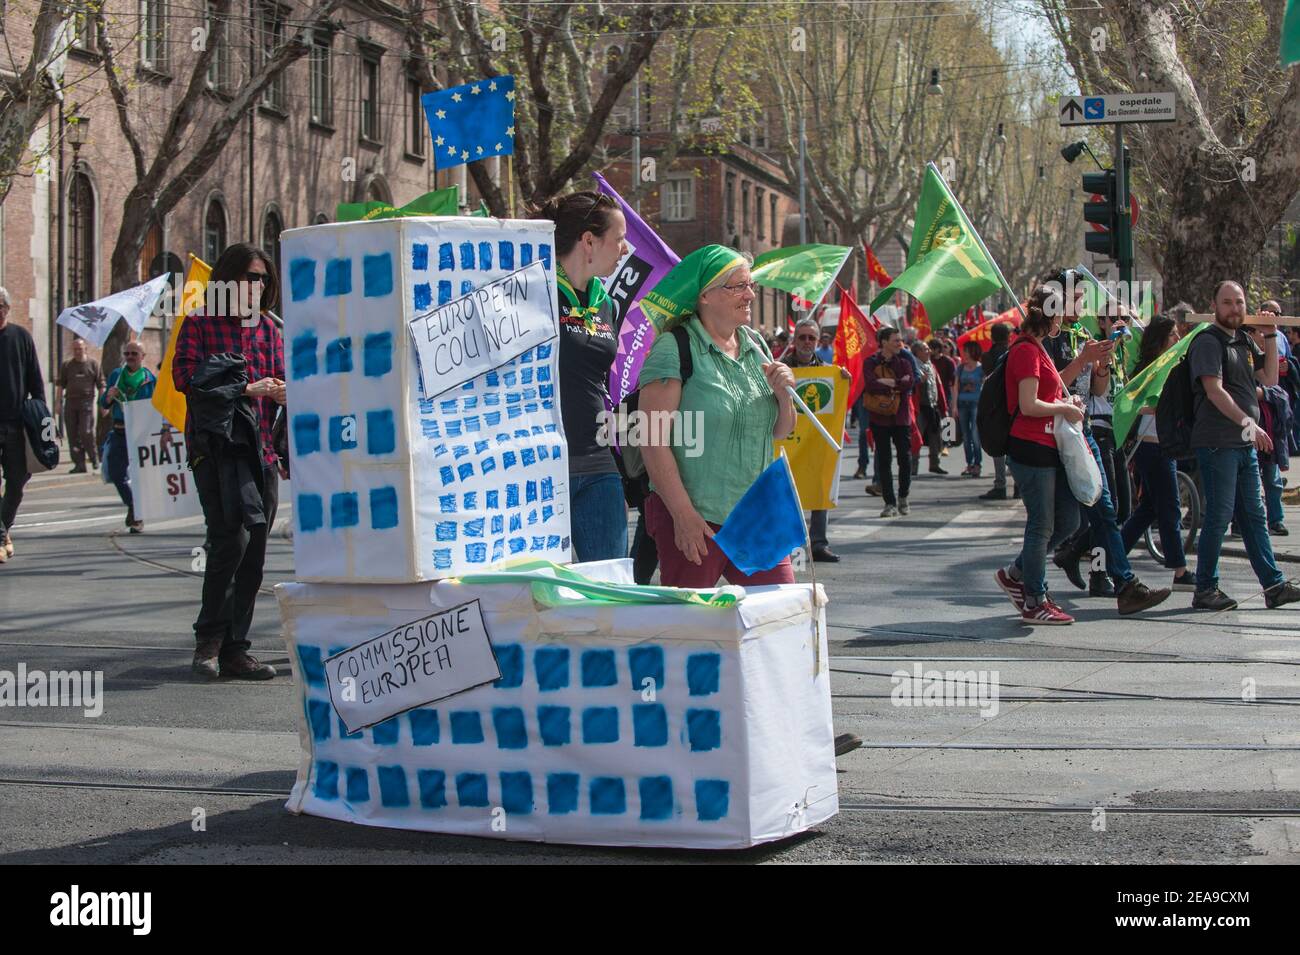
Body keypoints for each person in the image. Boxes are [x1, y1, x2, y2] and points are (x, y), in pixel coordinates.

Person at [995, 277, 1169, 625]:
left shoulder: (1051, 343)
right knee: (1048, 522)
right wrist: (1064, 405)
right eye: (1073, 300)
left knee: (1074, 518)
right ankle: (1038, 595)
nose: (1080, 306)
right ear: (1053, 312)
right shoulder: (1029, 348)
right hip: (1039, 443)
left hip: (1062, 438)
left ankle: (1027, 571)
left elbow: (1068, 386)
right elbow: (1030, 403)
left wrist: (1091, 371)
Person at [636, 245, 796, 586]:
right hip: (697, 517)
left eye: (751, 285)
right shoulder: (674, 347)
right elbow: (651, 440)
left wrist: (785, 397)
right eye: (738, 286)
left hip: (756, 516)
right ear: (705, 295)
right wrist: (683, 515)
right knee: (691, 631)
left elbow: (780, 431)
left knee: (779, 621)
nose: (750, 294)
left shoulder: (755, 344)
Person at [173, 243, 287, 679]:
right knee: (229, 543)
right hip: (217, 451)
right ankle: (210, 640)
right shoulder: (201, 323)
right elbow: (184, 378)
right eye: (248, 277)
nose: (256, 285)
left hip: (261, 450)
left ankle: (237, 649)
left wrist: (282, 390)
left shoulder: (271, 330)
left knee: (255, 551)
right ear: (227, 280)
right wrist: (245, 389)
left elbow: (287, 380)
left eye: (262, 278)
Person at [1187, 281, 1300, 610]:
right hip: (1218, 443)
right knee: (1219, 517)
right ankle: (1205, 588)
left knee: (1254, 515)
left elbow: (1270, 379)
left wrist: (1268, 333)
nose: (1234, 308)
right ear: (1215, 305)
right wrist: (1250, 424)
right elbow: (1214, 391)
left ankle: (1273, 585)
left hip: (1242, 444)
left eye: (1239, 302)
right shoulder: (1208, 341)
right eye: (1227, 302)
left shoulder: (1243, 341)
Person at [537, 191, 630, 563]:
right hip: (541, 465)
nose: (625, 249)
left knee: (612, 587)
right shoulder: (535, 289)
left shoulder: (606, 302)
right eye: (619, 239)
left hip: (597, 461)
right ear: (588, 241)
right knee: (539, 593)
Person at [1118, 316, 1195, 591]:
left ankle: (1114, 557)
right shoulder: (1151, 370)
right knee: (1170, 507)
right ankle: (1179, 570)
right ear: (1160, 339)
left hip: (1160, 444)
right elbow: (1138, 404)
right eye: (1172, 335)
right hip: (1152, 444)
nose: (1176, 339)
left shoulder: (1171, 366)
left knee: (1149, 508)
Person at [782, 316, 847, 562]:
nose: (807, 342)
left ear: (818, 341)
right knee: (789, 492)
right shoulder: (780, 367)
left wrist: (843, 381)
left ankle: (819, 544)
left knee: (820, 487)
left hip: (816, 442)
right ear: (794, 340)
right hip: (789, 440)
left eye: (812, 338)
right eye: (802, 337)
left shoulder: (829, 373)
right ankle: (793, 546)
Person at [0, 286, 44, 566]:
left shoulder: (21, 337)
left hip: (17, 424)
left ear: (5, 309)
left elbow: (36, 383)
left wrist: (43, 421)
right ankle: (1, 535)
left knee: (16, 482)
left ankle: (4, 529)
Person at [100, 340, 156, 533]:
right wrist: (109, 395)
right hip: (119, 431)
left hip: (139, 433)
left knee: (140, 477)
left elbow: (155, 407)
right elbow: (104, 404)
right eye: (127, 354)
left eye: (134, 353)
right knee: (116, 473)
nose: (130, 357)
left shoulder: (149, 378)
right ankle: (133, 505)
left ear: (143, 357)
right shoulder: (117, 375)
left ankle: (138, 517)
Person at [863, 326, 914, 517]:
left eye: (900, 340)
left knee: (905, 459)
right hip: (879, 418)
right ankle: (889, 503)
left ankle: (903, 496)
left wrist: (886, 382)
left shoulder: (905, 361)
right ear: (884, 342)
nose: (899, 343)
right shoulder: (870, 362)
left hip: (901, 418)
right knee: (884, 461)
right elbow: (870, 384)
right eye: (896, 340)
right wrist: (895, 384)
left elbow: (909, 383)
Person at [980, 321, 1016, 500]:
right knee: (1015, 447)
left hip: (995, 407)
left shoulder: (987, 357)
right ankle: (1018, 486)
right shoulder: (1014, 353)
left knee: (998, 448)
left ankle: (1000, 484)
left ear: (992, 337)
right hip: (1013, 404)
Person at [56, 337, 104, 473]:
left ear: (85, 349)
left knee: (86, 432)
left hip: (86, 402)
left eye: (80, 349)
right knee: (72, 434)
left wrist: (102, 403)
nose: (77, 352)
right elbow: (60, 385)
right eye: (75, 349)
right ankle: (79, 464)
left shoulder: (93, 364)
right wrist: (58, 403)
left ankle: (94, 458)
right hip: (71, 402)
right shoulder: (67, 365)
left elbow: (101, 385)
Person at [910, 339, 948, 475]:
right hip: (919, 408)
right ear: (917, 352)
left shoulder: (931, 366)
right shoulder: (913, 366)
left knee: (935, 434)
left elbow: (939, 387)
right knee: (917, 437)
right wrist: (919, 381)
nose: (928, 352)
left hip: (932, 405)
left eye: (928, 349)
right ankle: (913, 466)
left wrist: (944, 407)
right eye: (925, 349)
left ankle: (934, 464)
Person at [957, 339, 984, 477]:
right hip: (962, 405)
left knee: (975, 435)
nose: (964, 354)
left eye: (966, 351)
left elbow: (984, 387)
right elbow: (955, 388)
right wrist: (953, 407)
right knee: (966, 437)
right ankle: (970, 464)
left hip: (976, 405)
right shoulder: (960, 368)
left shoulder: (981, 368)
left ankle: (978, 464)